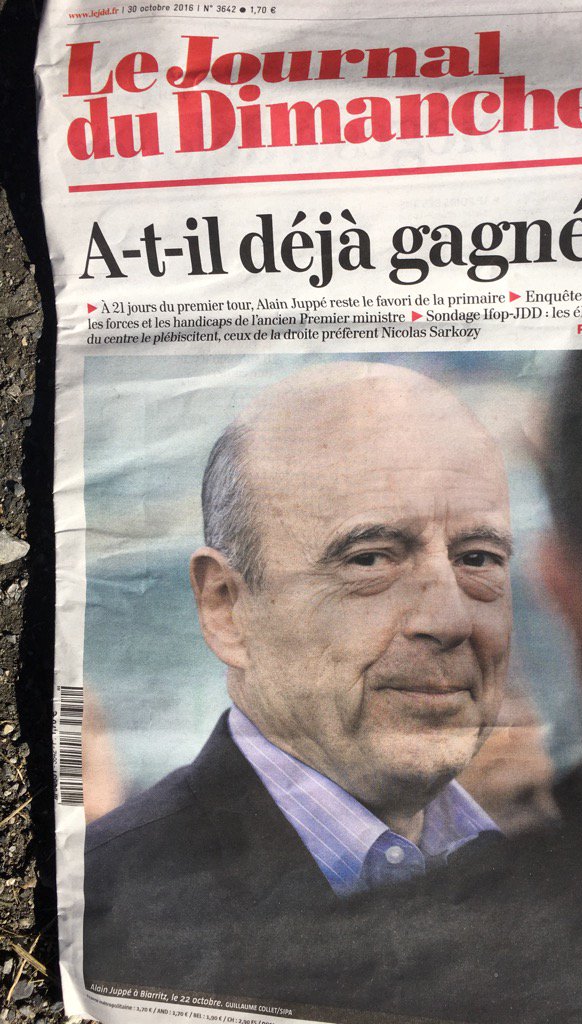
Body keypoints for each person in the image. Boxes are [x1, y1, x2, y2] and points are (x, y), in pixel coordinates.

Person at [84, 362, 525, 1019]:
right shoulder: (97, 912)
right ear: (227, 608)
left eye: (478, 559)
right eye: (370, 559)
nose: (451, 618)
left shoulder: (549, 885)